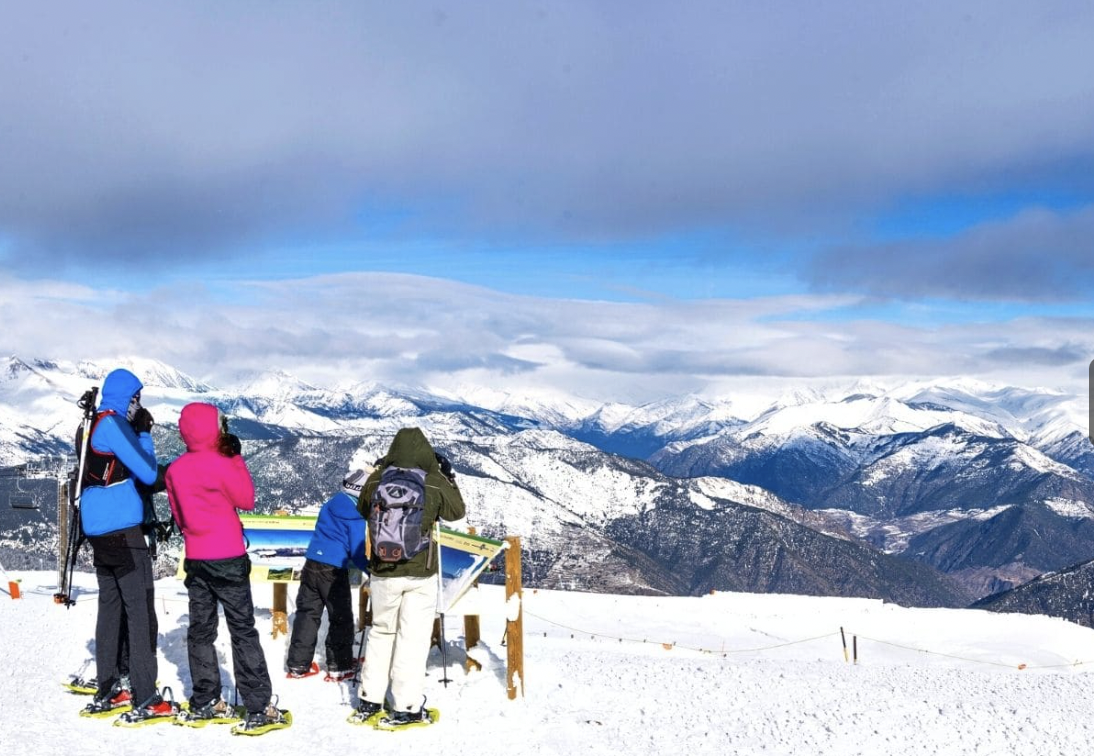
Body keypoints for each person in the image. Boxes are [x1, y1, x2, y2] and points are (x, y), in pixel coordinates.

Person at [166, 403, 285, 731]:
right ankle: (258, 705)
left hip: (197, 557)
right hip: (229, 556)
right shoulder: (223, 462)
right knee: (242, 629)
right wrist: (235, 458)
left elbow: (178, 513)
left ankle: (205, 699)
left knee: (201, 630)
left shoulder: (175, 469)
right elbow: (247, 498)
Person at [350, 428, 465, 727]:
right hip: (420, 573)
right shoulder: (433, 480)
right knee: (411, 639)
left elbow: (363, 508)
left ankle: (369, 699)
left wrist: (379, 474)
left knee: (381, 631)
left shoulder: (378, 477)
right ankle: (405, 706)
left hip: (382, 571)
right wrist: (448, 475)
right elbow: (457, 512)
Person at [78, 368, 168, 722]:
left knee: (110, 608)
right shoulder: (114, 426)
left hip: (97, 530)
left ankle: (109, 688)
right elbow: (147, 472)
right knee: (141, 610)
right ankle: (145, 696)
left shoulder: (93, 423)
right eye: (136, 399)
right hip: (123, 531)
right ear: (126, 397)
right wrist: (145, 433)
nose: (138, 406)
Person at [285, 468, 370, 680]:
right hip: (333, 568)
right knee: (340, 617)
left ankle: (297, 665)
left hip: (312, 561)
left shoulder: (331, 503)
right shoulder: (357, 515)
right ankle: (339, 666)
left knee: (307, 614)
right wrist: (371, 570)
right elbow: (358, 550)